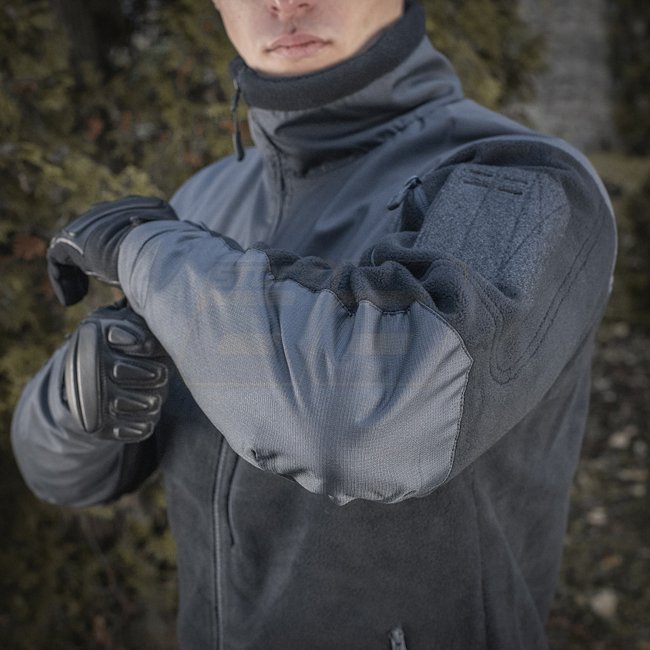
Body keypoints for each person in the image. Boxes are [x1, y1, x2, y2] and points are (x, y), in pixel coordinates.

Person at [12, 0, 617, 648]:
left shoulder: (521, 181)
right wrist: (84, 392)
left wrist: (147, 251)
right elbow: (65, 475)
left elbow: (371, 421)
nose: (283, 4)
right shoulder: (202, 202)